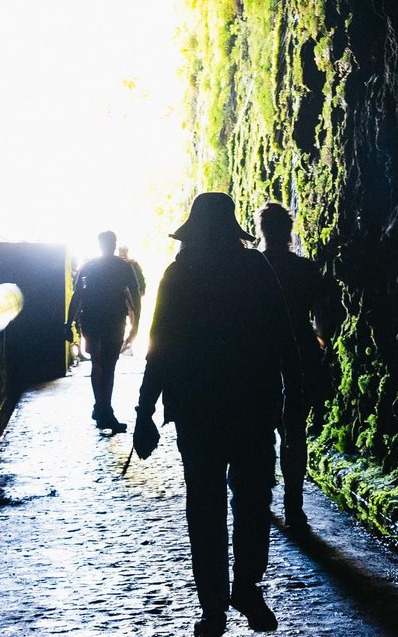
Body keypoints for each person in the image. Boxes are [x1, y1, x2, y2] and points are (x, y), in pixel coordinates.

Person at [132, 193, 302, 637]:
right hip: (253, 408)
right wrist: (293, 395)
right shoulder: (255, 270)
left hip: (198, 412)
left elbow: (158, 348)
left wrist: (145, 412)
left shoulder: (178, 275)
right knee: (252, 501)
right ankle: (245, 587)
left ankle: (213, 608)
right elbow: (284, 339)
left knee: (204, 508)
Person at [255, 201, 342, 533]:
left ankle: (261, 498)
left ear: (261, 230)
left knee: (262, 432)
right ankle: (294, 507)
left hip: (260, 357)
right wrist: (319, 340)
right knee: (294, 431)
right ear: (288, 231)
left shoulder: (252, 268)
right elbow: (323, 318)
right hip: (300, 355)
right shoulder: (305, 269)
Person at [67, 230, 141, 433]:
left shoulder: (89, 267)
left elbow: (78, 296)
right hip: (114, 319)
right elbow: (134, 294)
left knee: (97, 364)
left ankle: (100, 408)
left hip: (91, 319)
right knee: (108, 366)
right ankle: (104, 409)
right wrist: (136, 325)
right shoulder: (122, 267)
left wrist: (68, 323)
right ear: (114, 244)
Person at [117, 243, 147, 354]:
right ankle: (125, 343)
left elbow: (140, 281)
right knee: (126, 320)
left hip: (129, 298)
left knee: (130, 319)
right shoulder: (130, 265)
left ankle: (128, 343)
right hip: (126, 297)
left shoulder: (132, 265)